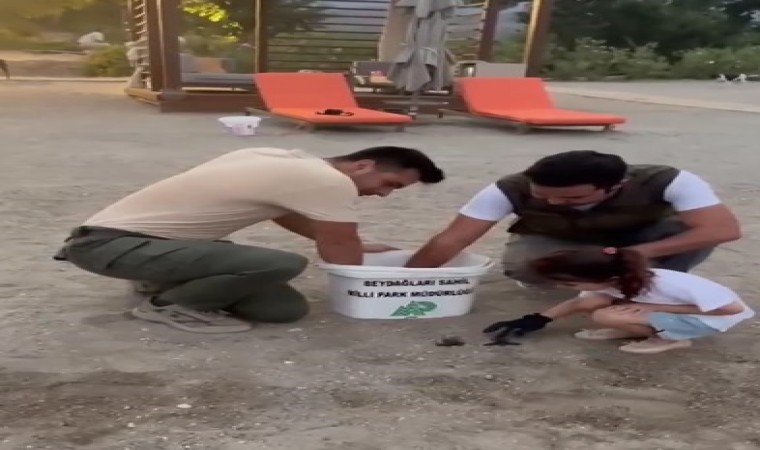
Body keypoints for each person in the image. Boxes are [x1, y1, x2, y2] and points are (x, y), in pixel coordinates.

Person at [54, 146, 445, 333]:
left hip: (131, 243)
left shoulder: (279, 158)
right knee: (284, 263)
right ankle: (167, 304)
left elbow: (284, 211)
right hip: (109, 245)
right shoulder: (329, 182)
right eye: (389, 184)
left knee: (284, 309)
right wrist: (378, 290)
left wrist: (356, 247)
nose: (384, 194)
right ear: (363, 165)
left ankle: (158, 279)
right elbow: (340, 247)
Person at [404, 150, 741, 286]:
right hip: (558, 239)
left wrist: (636, 253)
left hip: (640, 238)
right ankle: (601, 281)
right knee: (524, 267)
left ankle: (650, 283)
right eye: (543, 195)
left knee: (689, 231)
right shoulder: (509, 187)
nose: (555, 202)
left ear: (615, 187)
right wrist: (405, 280)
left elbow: (723, 229)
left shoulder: (667, 180)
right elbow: (454, 238)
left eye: (571, 198)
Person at [483, 247, 754, 354]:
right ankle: (640, 328)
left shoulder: (668, 283)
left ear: (607, 277)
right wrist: (537, 319)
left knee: (606, 315)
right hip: (672, 312)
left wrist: (652, 307)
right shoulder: (614, 282)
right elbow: (579, 303)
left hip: (708, 319)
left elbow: (731, 309)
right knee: (596, 308)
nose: (563, 288)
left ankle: (672, 339)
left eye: (569, 283)